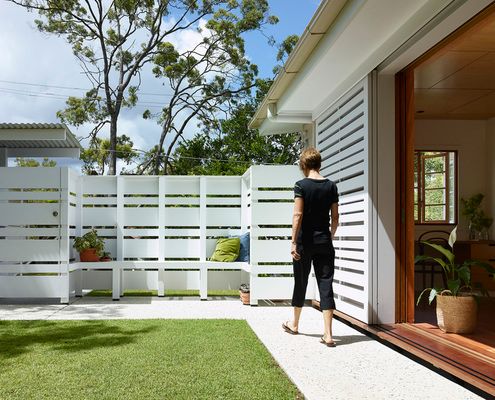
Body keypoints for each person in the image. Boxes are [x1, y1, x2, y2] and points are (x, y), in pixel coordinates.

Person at [282, 147, 339, 347]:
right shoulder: (331, 186)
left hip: (304, 243)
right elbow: (336, 218)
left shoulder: (301, 185)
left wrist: (293, 241)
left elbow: (297, 215)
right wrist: (328, 236)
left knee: (300, 281)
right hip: (324, 242)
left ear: (304, 165)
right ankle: (329, 334)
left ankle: (295, 324)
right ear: (319, 163)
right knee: (326, 284)